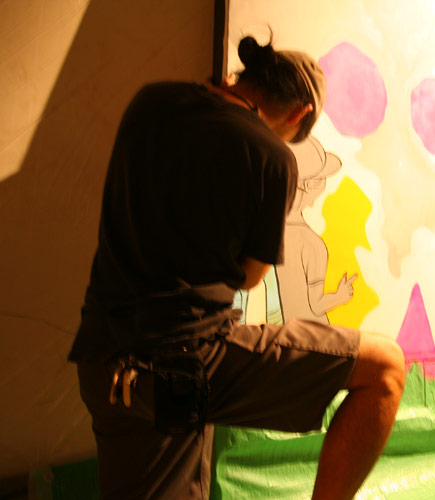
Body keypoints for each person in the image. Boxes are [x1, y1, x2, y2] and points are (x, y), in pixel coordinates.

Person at [68, 35, 405, 500]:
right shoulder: (272, 157)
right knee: (386, 367)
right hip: (181, 363)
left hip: (101, 360)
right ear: (300, 113)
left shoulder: (151, 102)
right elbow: (249, 276)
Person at [276, 136, 357, 324]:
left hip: (281, 330)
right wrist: (340, 296)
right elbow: (316, 305)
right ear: (307, 185)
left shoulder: (269, 235)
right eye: (321, 178)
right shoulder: (312, 244)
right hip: (311, 333)